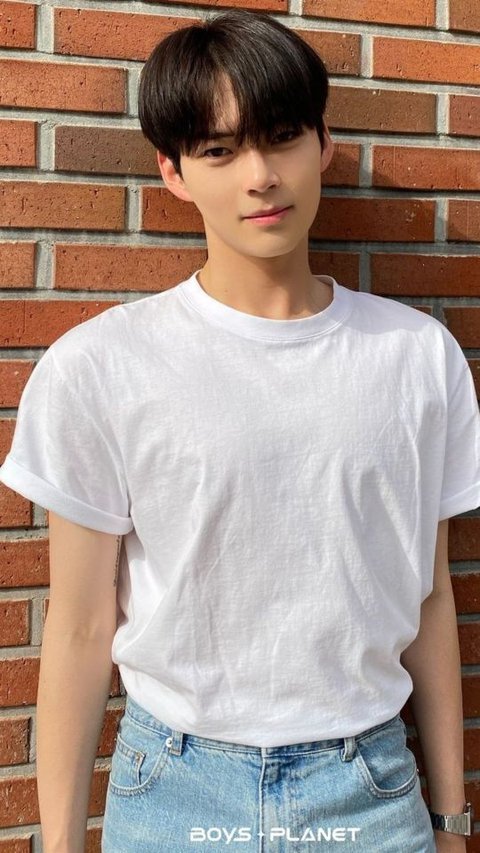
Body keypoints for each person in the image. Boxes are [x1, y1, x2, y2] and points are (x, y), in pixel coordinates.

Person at [1, 9, 479, 852]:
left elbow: (431, 594)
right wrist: (60, 842)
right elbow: (78, 628)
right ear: (174, 171)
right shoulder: (100, 366)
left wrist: (450, 818)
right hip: (173, 787)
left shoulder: (417, 357)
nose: (260, 176)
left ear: (323, 143)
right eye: (219, 150)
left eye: (282, 137)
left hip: (369, 791)